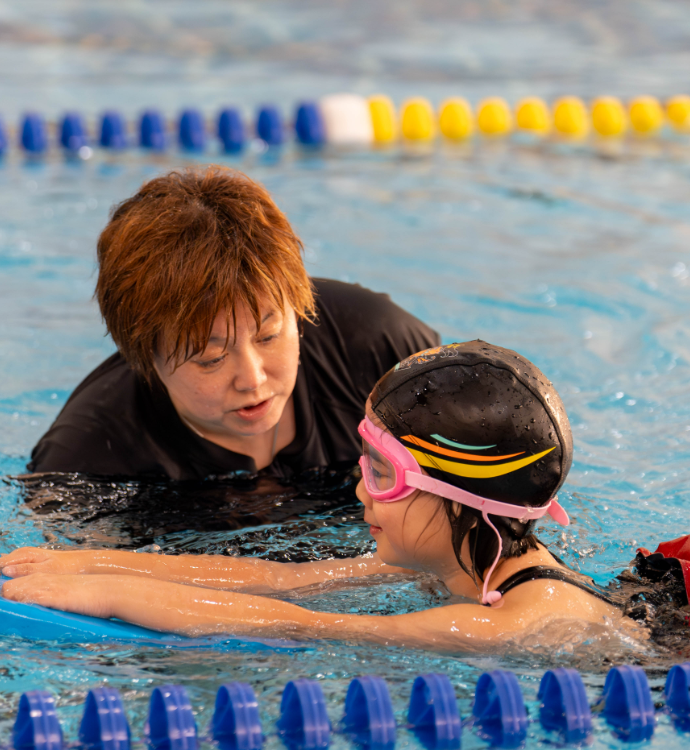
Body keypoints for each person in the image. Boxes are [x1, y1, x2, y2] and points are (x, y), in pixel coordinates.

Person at [2, 341, 657, 652]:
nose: (358, 487)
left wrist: (110, 597)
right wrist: (81, 565)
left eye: (380, 472)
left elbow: (303, 625)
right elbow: (276, 582)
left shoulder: (520, 619)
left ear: (455, 496)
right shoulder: (466, 562)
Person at [28, 166, 439, 481]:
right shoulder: (87, 460)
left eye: (269, 335)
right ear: (146, 360)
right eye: (210, 358)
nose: (252, 378)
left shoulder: (381, 349)